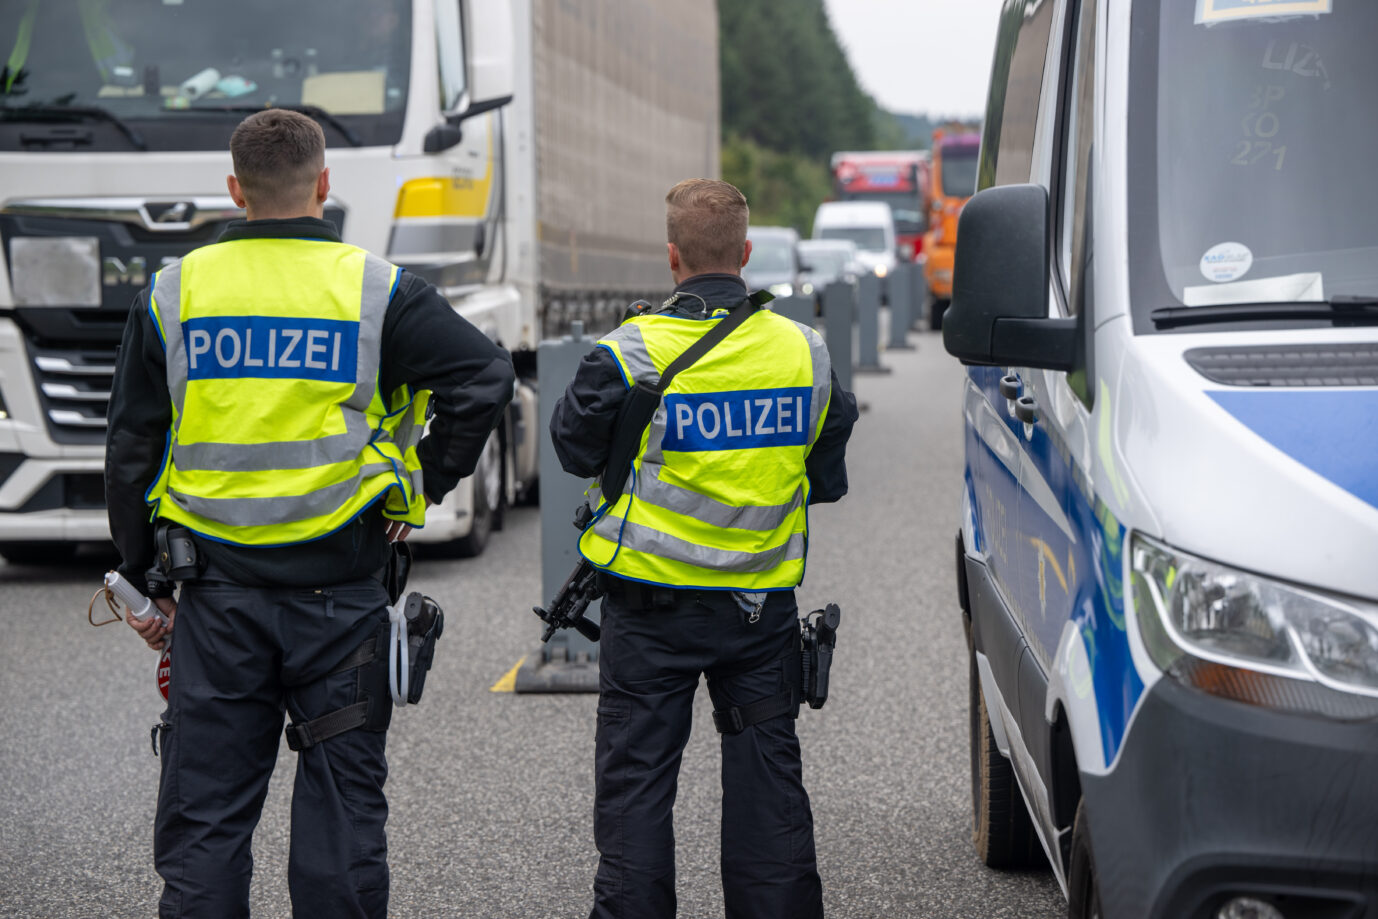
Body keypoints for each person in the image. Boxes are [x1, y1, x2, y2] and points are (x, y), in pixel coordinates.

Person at [105, 109, 514, 918]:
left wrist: (141, 572)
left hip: (215, 600)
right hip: (342, 596)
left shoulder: (174, 292)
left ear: (234, 191)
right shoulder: (377, 289)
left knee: (206, 827)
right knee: (339, 820)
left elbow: (130, 444)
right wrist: (425, 482)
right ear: (324, 186)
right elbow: (486, 376)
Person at [549, 178, 858, 919]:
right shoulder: (803, 351)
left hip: (650, 615)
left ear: (672, 258)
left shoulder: (628, 353)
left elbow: (570, 448)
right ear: (746, 254)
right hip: (758, 613)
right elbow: (827, 469)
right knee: (768, 787)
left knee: (637, 791)